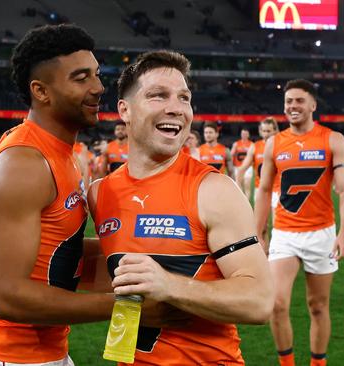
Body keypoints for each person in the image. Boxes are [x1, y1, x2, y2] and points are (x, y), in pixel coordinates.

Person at [88, 50, 273, 365]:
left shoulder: (213, 190)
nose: (176, 109)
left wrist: (170, 285)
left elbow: (259, 302)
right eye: (158, 96)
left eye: (184, 98)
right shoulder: (100, 193)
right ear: (125, 110)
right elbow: (112, 267)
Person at [0, 24, 111, 366]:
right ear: (41, 91)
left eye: (97, 75)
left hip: (42, 351)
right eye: (81, 78)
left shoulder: (62, 152)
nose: (98, 88)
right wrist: (130, 308)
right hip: (11, 355)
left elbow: (60, 253)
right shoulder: (24, 164)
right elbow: (9, 297)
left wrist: (149, 253)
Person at [254, 79, 344, 366]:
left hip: (321, 234)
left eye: (299, 100)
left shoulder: (333, 139)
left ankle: (317, 363)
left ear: (313, 105)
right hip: (285, 233)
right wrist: (257, 233)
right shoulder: (274, 143)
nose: (292, 106)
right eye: (288, 101)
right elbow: (263, 191)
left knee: (318, 305)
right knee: (276, 304)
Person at [237, 117, 280, 239]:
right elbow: (241, 169)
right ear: (260, 131)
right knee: (262, 227)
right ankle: (265, 255)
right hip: (260, 191)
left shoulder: (281, 145)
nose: (266, 134)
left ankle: (275, 254)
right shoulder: (255, 147)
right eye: (264, 131)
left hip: (278, 190)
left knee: (278, 226)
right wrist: (240, 189)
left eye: (269, 131)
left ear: (275, 131)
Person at [232, 128, 254, 199]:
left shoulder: (252, 144)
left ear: (248, 135)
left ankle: (247, 201)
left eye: (245, 134)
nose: (244, 135)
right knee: (238, 185)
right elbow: (231, 153)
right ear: (241, 134)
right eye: (242, 134)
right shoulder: (236, 144)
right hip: (238, 167)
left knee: (247, 184)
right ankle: (241, 200)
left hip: (248, 167)